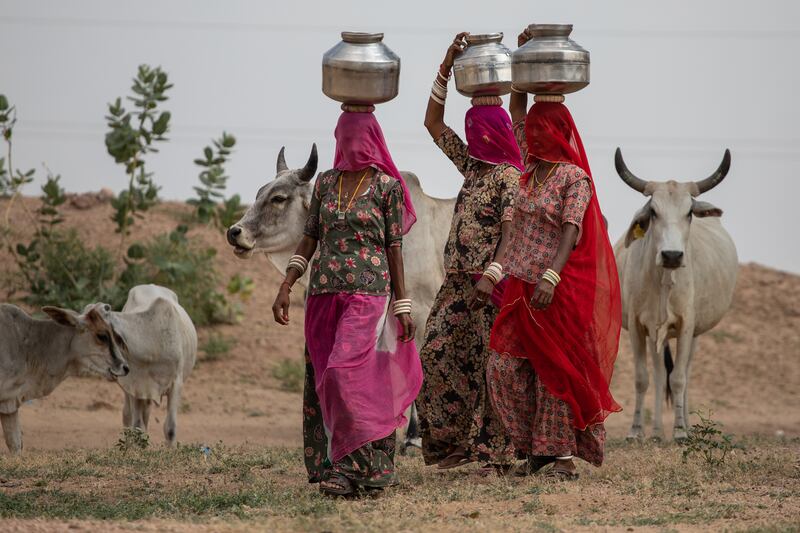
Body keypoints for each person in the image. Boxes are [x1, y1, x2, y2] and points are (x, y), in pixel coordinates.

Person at [486, 29, 622, 480]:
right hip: (520, 286)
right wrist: (525, 62)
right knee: (504, 365)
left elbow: (571, 231)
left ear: (559, 131)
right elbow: (517, 109)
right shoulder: (528, 168)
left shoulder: (573, 178)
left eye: (543, 128)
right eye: (533, 129)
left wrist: (551, 277)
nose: (533, 133)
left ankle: (558, 456)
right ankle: (531, 446)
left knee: (553, 371)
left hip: (555, 289)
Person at [272, 106, 422, 497]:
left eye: (359, 135)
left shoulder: (387, 187)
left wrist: (402, 305)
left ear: (372, 138)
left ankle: (349, 466)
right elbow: (310, 235)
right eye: (345, 134)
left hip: (368, 294)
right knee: (323, 377)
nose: (351, 142)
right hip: (322, 294)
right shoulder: (325, 183)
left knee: (344, 371)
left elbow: (394, 247)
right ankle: (356, 471)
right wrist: (288, 283)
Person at [417, 32, 521, 472]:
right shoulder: (473, 167)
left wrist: (492, 274)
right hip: (458, 283)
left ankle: (496, 455)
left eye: (478, 130)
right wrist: (445, 67)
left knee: (491, 367)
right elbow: (433, 126)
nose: (471, 135)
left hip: (492, 286)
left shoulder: (508, 177)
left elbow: (511, 234)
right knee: (436, 352)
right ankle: (450, 445)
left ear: (494, 133)